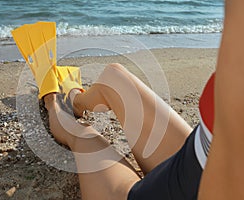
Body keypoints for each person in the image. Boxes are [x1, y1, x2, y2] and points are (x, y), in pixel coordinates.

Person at [42, 1, 244, 199]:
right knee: (115, 76)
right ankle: (75, 99)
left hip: (210, 179)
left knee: (83, 133)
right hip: (203, 152)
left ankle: (52, 100)